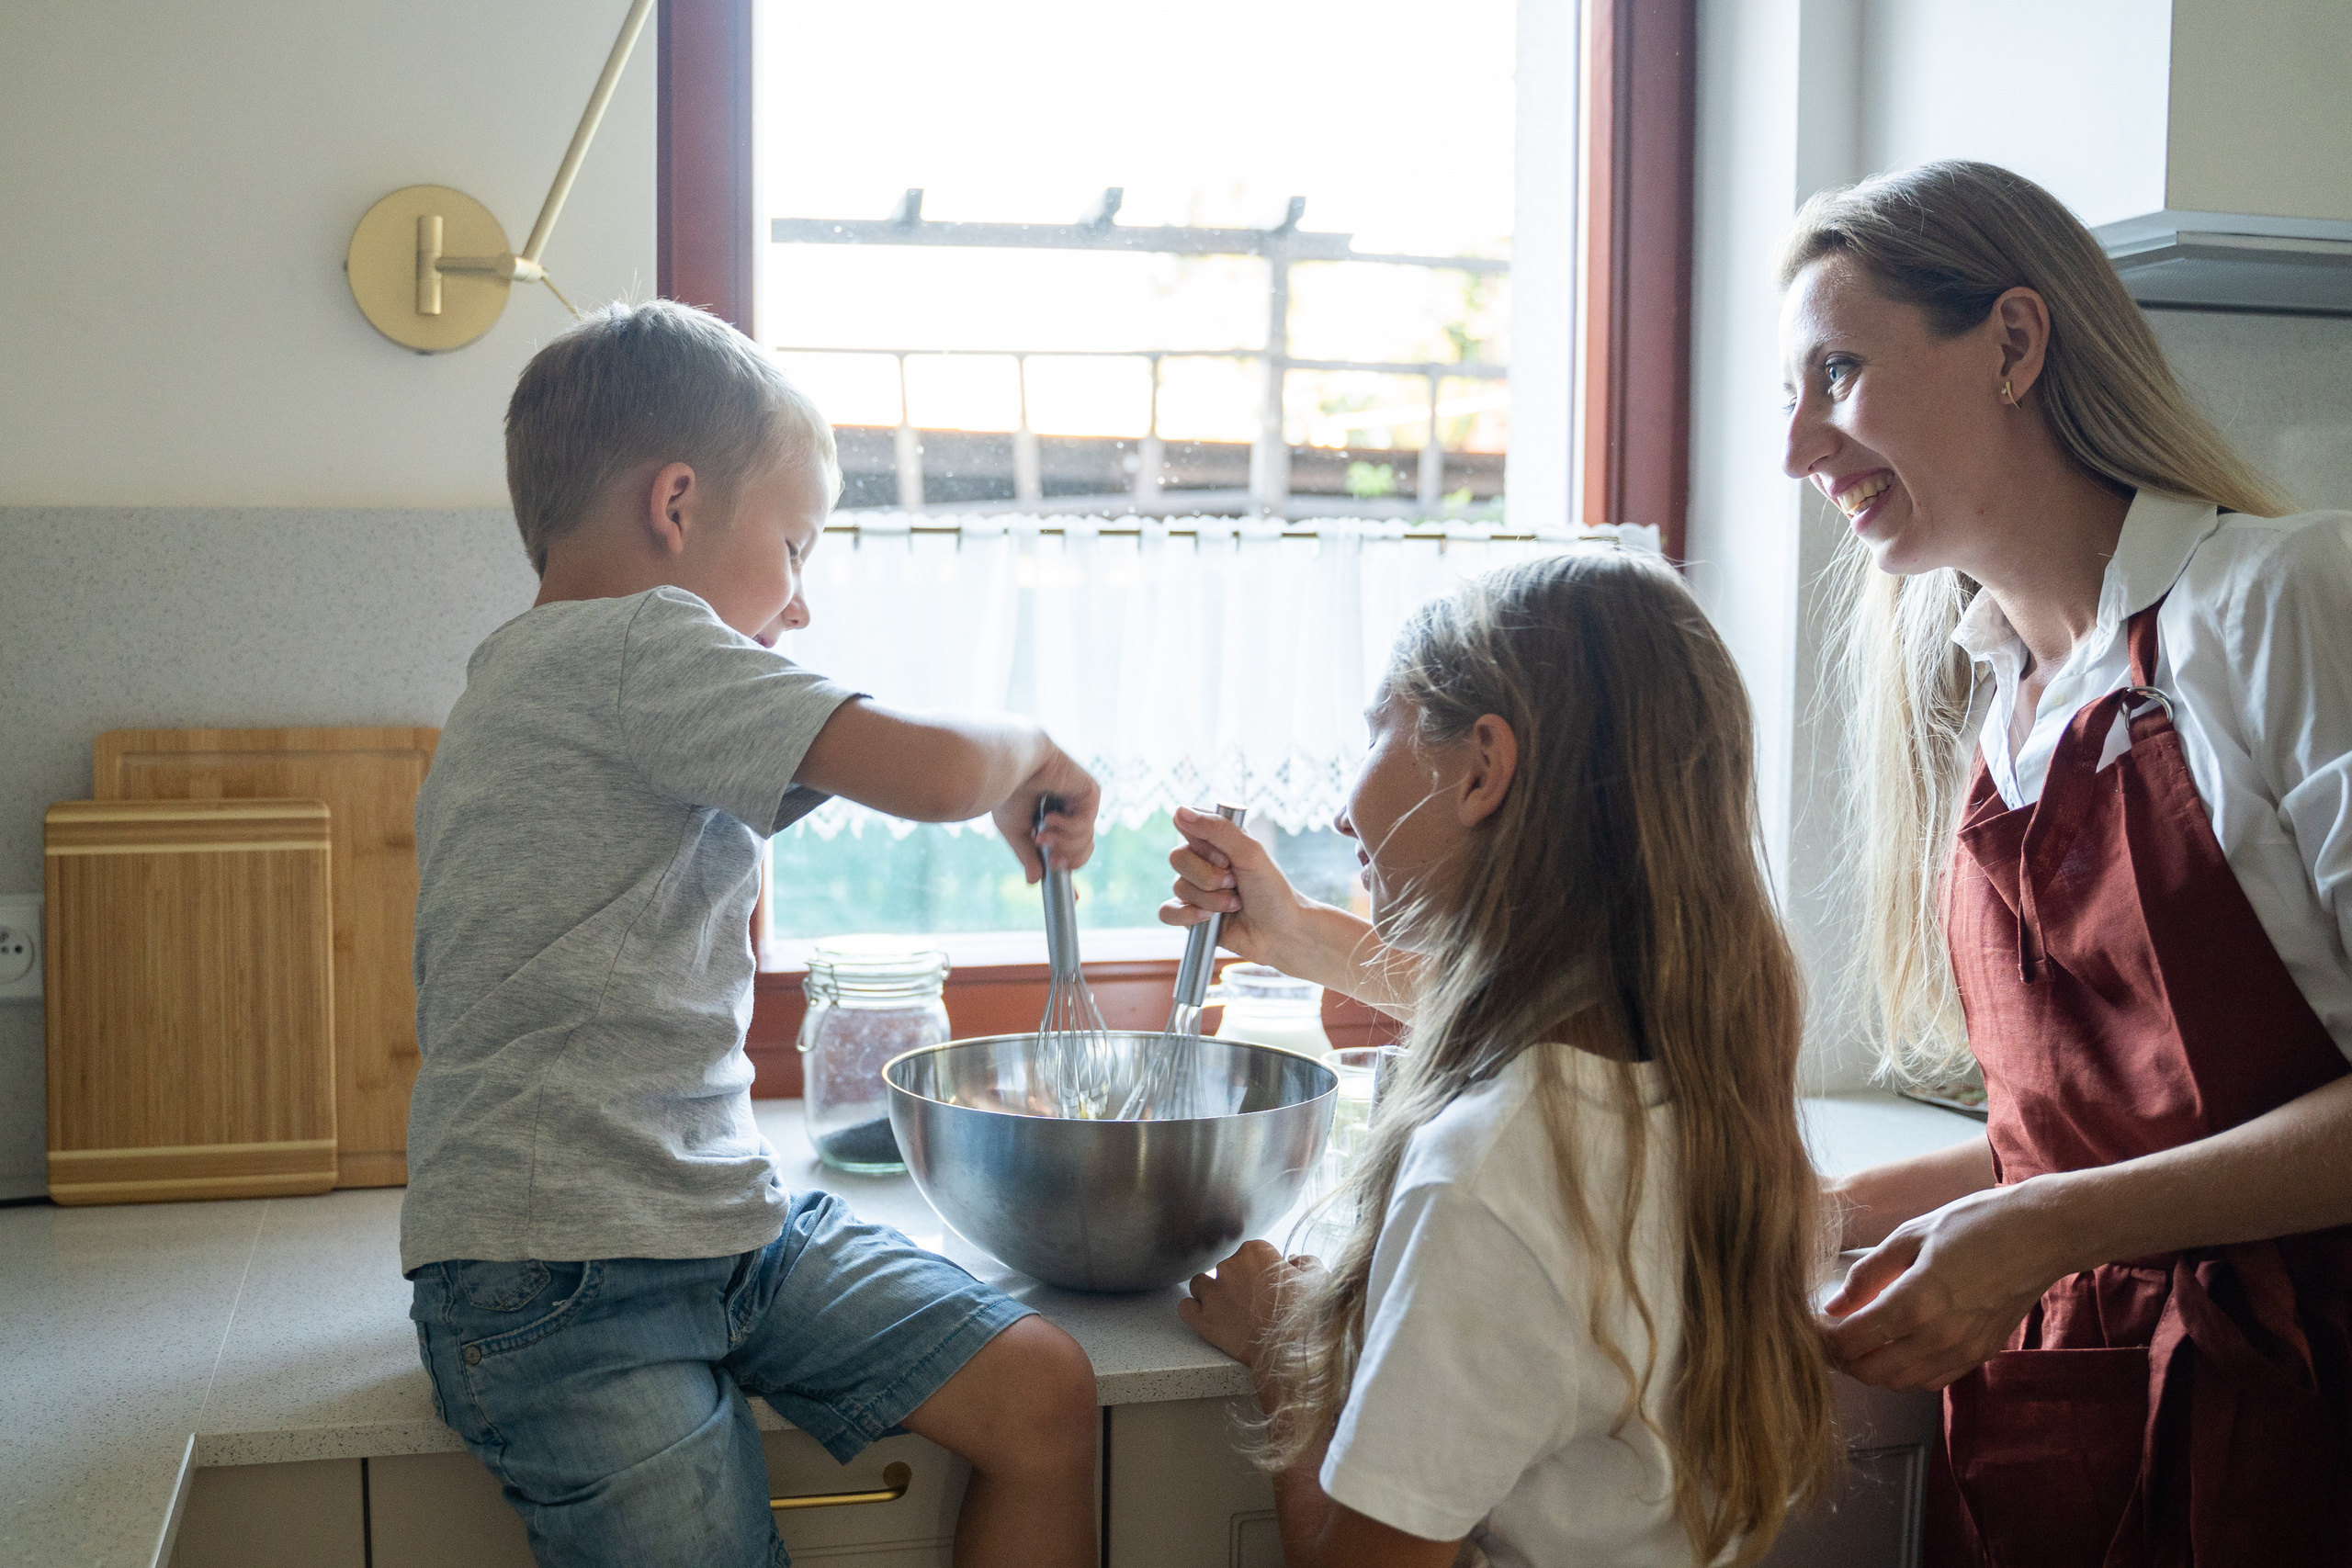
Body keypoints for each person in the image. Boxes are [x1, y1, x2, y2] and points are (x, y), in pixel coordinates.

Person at [401, 300, 1100, 1568]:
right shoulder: (632, 644)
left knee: (1040, 1388)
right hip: (557, 1266)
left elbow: (843, 766)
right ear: (675, 506)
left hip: (712, 1221)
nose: (801, 603)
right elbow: (937, 770)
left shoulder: (546, 678)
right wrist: (1034, 749)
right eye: (795, 545)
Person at [1781, 160, 2352, 1564]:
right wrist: (1804, 1215)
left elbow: (2081, 1183)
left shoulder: (2275, 603)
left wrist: (2041, 1227)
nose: (1801, 448)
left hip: (2305, 1427)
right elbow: (2085, 1132)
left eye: (1838, 372)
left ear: (2017, 345)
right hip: (2057, 1425)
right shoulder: (1998, 712)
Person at [1162, 551, 1841, 1568]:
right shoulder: (1706, 1062)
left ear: (1482, 768)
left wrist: (1282, 1356)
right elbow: (1507, 1017)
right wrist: (1301, 937)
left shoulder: (1488, 1173)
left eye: (1375, 732)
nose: (1345, 809)